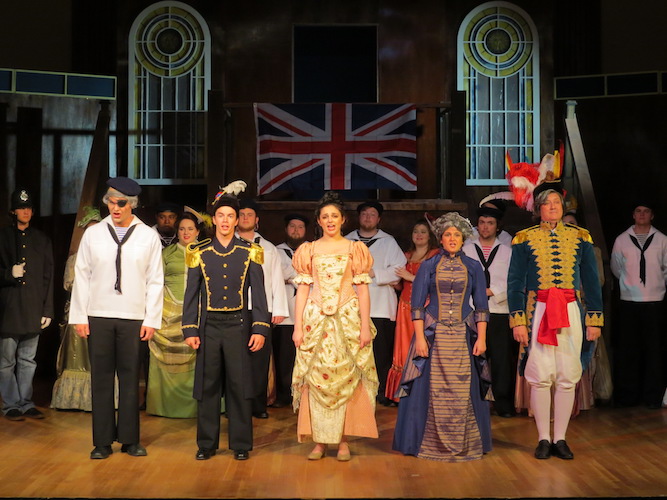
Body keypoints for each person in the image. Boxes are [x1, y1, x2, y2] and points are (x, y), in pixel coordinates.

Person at [70, 177, 164, 459]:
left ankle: (130, 439)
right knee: (100, 379)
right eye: (111, 201)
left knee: (129, 379)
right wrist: (80, 316)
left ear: (132, 205)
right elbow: (82, 276)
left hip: (133, 317)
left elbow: (155, 280)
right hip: (98, 315)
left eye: (121, 203)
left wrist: (151, 319)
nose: (115, 207)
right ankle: (101, 442)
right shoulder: (94, 234)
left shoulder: (147, 235)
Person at [508, 185, 603, 460]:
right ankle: (542, 438)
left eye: (557, 203)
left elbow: (591, 281)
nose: (552, 207)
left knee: (566, 376)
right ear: (538, 209)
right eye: (547, 203)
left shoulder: (580, 237)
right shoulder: (523, 239)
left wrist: (594, 319)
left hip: (571, 311)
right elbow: (515, 283)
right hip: (538, 310)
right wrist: (518, 321)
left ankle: (560, 438)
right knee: (541, 376)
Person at [393, 212, 491, 462]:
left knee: (464, 386)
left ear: (463, 238)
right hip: (432, 332)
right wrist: (420, 339)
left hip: (462, 333)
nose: (451, 238)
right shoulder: (429, 265)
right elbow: (416, 305)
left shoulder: (473, 266)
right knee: (426, 385)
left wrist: (481, 338)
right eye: (447, 234)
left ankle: (467, 440)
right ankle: (423, 442)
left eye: (456, 235)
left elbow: (481, 305)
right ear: (441, 238)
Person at [182, 185, 270, 461]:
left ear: (236, 220)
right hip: (209, 327)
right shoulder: (199, 251)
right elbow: (191, 294)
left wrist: (259, 328)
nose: (224, 220)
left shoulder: (250, 251)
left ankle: (241, 444)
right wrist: (190, 328)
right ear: (214, 219)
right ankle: (206, 444)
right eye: (220, 215)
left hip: (238, 326)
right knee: (207, 387)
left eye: (230, 216)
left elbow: (259, 294)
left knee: (239, 386)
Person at [292, 192, 379, 461]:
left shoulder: (356, 249)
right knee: (316, 379)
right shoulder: (308, 250)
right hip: (315, 323)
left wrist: (365, 326)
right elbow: (303, 292)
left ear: (343, 219)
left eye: (334, 216)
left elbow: (363, 291)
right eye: (325, 216)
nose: (330, 220)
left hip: (348, 321)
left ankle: (342, 441)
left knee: (347, 379)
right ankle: (319, 441)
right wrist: (297, 327)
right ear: (319, 220)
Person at [0, 188, 54, 421]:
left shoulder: (41, 240)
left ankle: (25, 401)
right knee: (6, 361)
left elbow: (48, 277)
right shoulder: (2, 237)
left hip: (33, 307)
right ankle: (10, 403)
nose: (26, 212)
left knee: (28, 360)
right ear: (13, 211)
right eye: (21, 208)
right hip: (8, 310)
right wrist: (8, 274)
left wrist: (48, 309)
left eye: (29, 208)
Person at [346, 201, 406, 406]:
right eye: (364, 214)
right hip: (351, 306)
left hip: (381, 306)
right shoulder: (347, 241)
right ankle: (354, 391)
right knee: (353, 351)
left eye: (372, 214)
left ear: (379, 219)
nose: (368, 218)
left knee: (381, 352)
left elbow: (399, 271)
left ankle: (381, 391)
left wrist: (374, 273)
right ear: (358, 217)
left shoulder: (388, 242)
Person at [146, 211, 203, 418]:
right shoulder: (166, 253)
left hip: (197, 311)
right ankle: (164, 405)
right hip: (168, 311)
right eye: (181, 229)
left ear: (198, 231)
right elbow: (155, 283)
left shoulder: (205, 253)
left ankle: (198, 406)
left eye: (190, 229)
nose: (186, 233)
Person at [610, 201, 667, 409]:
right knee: (629, 350)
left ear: (652, 215)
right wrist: (629, 286)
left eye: (646, 211)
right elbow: (617, 268)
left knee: (654, 351)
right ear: (633, 215)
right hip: (629, 302)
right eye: (638, 211)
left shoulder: (662, 240)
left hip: (655, 302)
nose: (642, 215)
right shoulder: (622, 240)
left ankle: (652, 396)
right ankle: (628, 395)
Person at [236, 198, 289, 418]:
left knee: (259, 359)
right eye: (242, 214)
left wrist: (278, 309)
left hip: (261, 310)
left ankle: (258, 405)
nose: (246, 218)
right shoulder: (228, 244)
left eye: (250, 214)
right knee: (235, 358)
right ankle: (236, 406)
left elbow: (277, 279)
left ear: (257, 220)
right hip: (235, 310)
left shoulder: (268, 248)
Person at [463, 205, 516, 417]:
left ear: (497, 227)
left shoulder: (507, 252)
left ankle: (503, 403)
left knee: (501, 359)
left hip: (499, 310)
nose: (486, 227)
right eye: (482, 223)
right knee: (475, 357)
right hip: (473, 311)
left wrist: (492, 291)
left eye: (490, 223)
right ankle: (476, 402)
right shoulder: (466, 249)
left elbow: (513, 280)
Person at [51, 206, 102, 411]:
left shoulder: (108, 257)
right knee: (77, 356)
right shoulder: (75, 259)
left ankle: (98, 399)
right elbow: (68, 284)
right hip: (79, 311)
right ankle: (74, 399)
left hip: (100, 312)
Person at [385, 219, 439, 403]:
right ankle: (403, 392)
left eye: (423, 231)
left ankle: (422, 392)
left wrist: (410, 277)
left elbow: (436, 283)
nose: (419, 235)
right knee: (404, 349)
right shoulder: (405, 256)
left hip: (425, 308)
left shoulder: (435, 255)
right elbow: (399, 285)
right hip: (405, 306)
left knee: (423, 347)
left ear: (430, 236)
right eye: (416, 231)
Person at [273, 213, 309, 408]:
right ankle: (283, 395)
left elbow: (315, 276)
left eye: (300, 227)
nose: (296, 230)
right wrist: (299, 274)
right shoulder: (275, 251)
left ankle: (305, 395)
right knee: (283, 357)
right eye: (292, 226)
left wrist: (287, 276)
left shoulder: (312, 250)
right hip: (284, 313)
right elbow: (273, 276)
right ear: (286, 229)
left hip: (308, 315)